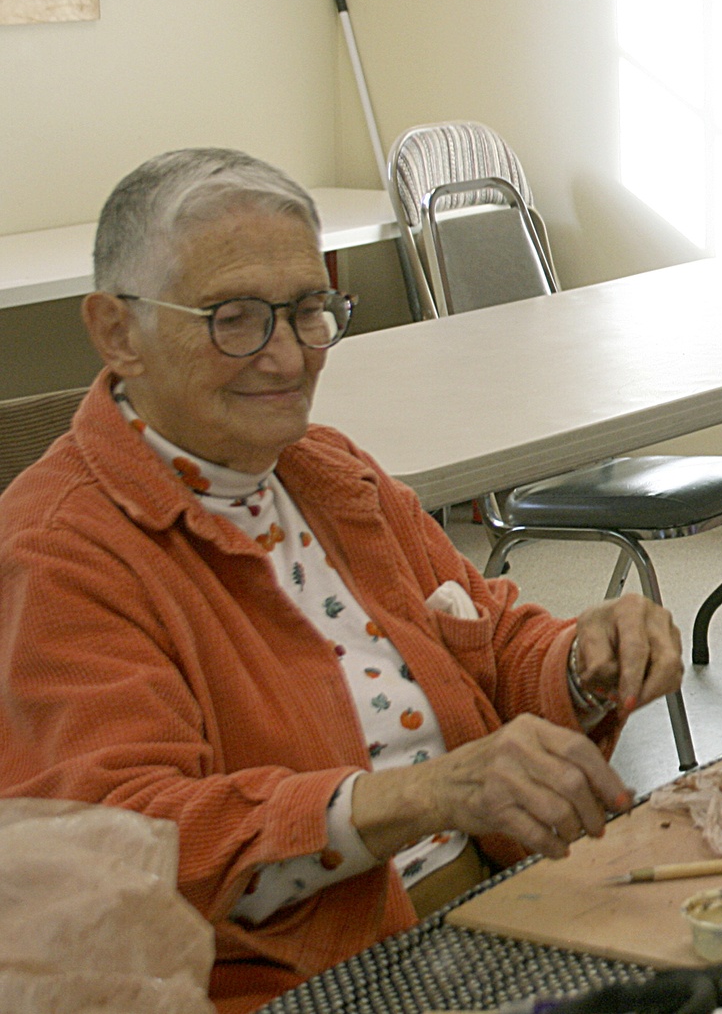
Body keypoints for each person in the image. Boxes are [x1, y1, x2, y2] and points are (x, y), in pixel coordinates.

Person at [0, 150, 685, 1013]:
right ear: (115, 331)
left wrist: (584, 659)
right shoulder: (60, 548)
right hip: (307, 980)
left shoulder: (323, 470)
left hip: (491, 905)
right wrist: (424, 792)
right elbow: (128, 848)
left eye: (308, 311)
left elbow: (495, 637)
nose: (287, 357)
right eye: (235, 318)